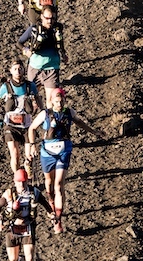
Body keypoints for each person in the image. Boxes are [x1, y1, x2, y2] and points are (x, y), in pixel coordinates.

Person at [25, 87, 105, 234]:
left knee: (59, 184)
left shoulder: (69, 112)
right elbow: (32, 129)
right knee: (49, 184)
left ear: (65, 100)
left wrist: (94, 132)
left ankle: (58, 219)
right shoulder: (45, 114)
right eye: (56, 101)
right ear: (51, 101)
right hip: (47, 153)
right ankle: (51, 203)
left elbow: (80, 123)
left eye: (61, 101)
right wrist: (32, 145)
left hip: (64, 150)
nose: (59, 104)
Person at [0, 167, 54, 261]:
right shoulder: (9, 193)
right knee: (12, 259)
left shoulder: (34, 192)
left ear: (27, 181)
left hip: (28, 228)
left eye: (24, 182)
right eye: (19, 182)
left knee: (30, 258)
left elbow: (45, 203)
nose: (21, 184)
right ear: (15, 182)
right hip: (12, 229)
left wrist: (51, 214)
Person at [0, 62, 39, 174]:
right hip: (11, 126)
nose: (18, 71)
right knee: (15, 154)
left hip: (27, 126)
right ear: (11, 71)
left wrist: (42, 110)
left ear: (24, 70)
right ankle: (18, 178)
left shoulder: (30, 86)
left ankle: (28, 171)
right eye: (15, 69)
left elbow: (37, 97)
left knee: (29, 156)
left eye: (20, 68)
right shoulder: (6, 87)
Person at [16, 5, 68, 106]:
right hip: (35, 68)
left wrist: (63, 54)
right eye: (47, 18)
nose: (50, 21)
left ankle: (49, 116)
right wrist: (26, 50)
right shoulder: (34, 29)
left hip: (52, 68)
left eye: (52, 18)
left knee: (51, 100)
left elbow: (60, 43)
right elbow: (19, 43)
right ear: (41, 16)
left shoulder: (57, 29)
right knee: (30, 99)